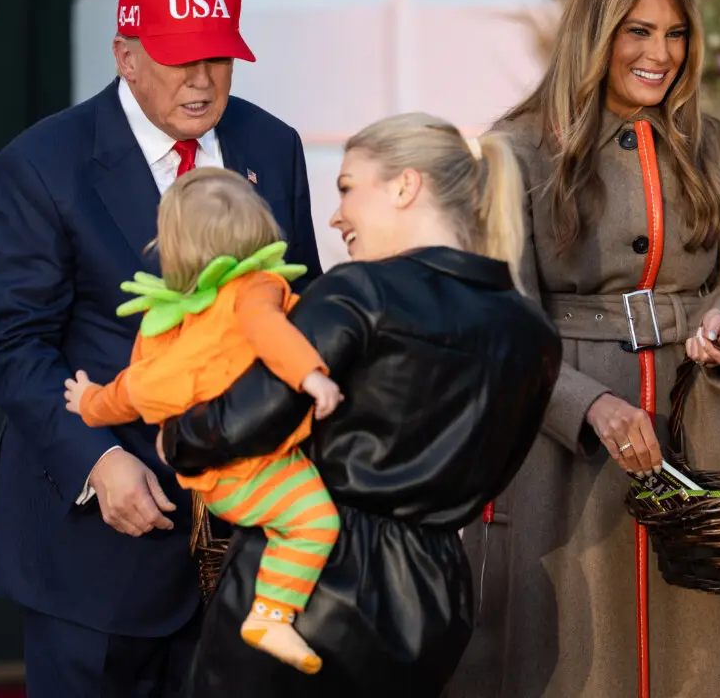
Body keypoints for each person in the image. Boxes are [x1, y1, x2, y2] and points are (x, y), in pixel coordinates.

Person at [0, 0, 322, 696]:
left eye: (219, 57)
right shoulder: (40, 165)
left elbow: (302, 304)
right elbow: (15, 347)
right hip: (100, 546)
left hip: (252, 549)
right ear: (126, 57)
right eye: (179, 59)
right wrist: (97, 464)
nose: (203, 80)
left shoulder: (273, 144)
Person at [448, 0, 720, 697]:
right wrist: (586, 404)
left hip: (696, 436)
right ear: (595, 34)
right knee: (573, 661)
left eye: (675, 34)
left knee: (701, 665)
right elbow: (502, 325)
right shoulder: (514, 151)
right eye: (637, 31)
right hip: (563, 448)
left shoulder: (716, 146)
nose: (660, 54)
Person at [157, 113, 563, 695]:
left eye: (348, 187)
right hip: (436, 594)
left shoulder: (357, 291)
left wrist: (176, 435)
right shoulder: (532, 331)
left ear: (405, 185)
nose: (335, 213)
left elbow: (249, 418)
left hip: (307, 578)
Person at [63, 167, 343, 674]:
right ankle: (271, 616)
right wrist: (312, 377)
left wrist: (88, 401)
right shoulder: (256, 288)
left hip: (209, 481)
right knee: (314, 523)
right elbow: (270, 332)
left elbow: (133, 388)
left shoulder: (172, 318)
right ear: (258, 229)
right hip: (253, 467)